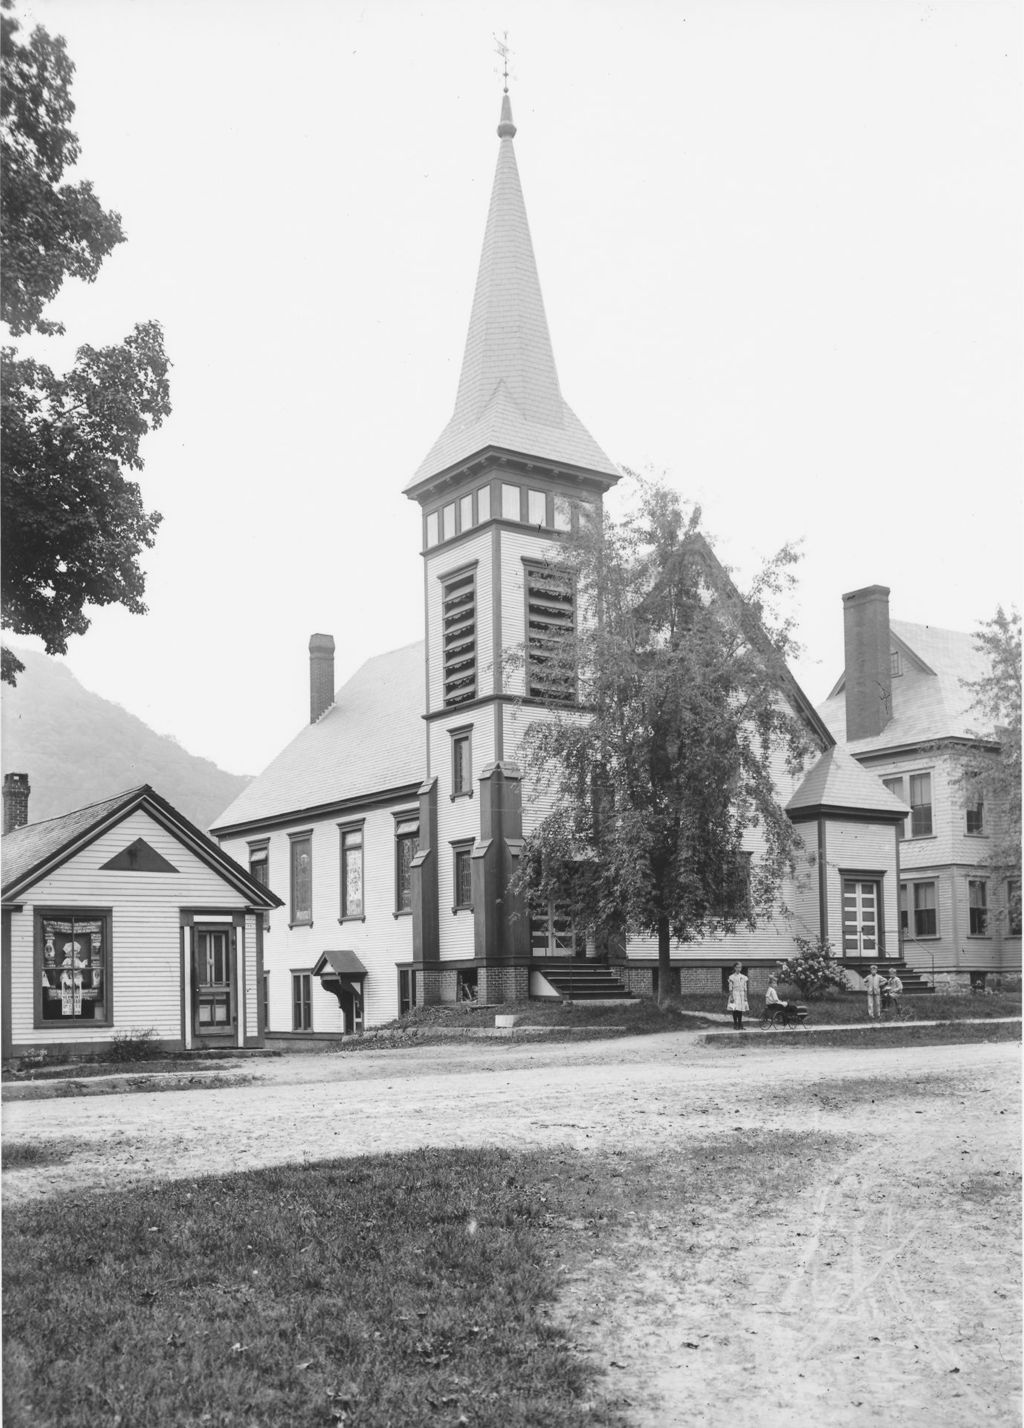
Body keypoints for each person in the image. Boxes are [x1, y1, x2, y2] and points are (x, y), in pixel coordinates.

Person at [727, 961, 749, 1031]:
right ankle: (735, 1024)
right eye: (737, 967)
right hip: (735, 994)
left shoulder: (743, 977)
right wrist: (731, 997)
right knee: (735, 1010)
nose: (739, 969)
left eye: (740, 967)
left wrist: (745, 996)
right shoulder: (732, 977)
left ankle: (740, 1024)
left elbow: (745, 988)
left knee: (740, 1010)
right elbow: (730, 988)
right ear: (734, 968)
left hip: (741, 994)